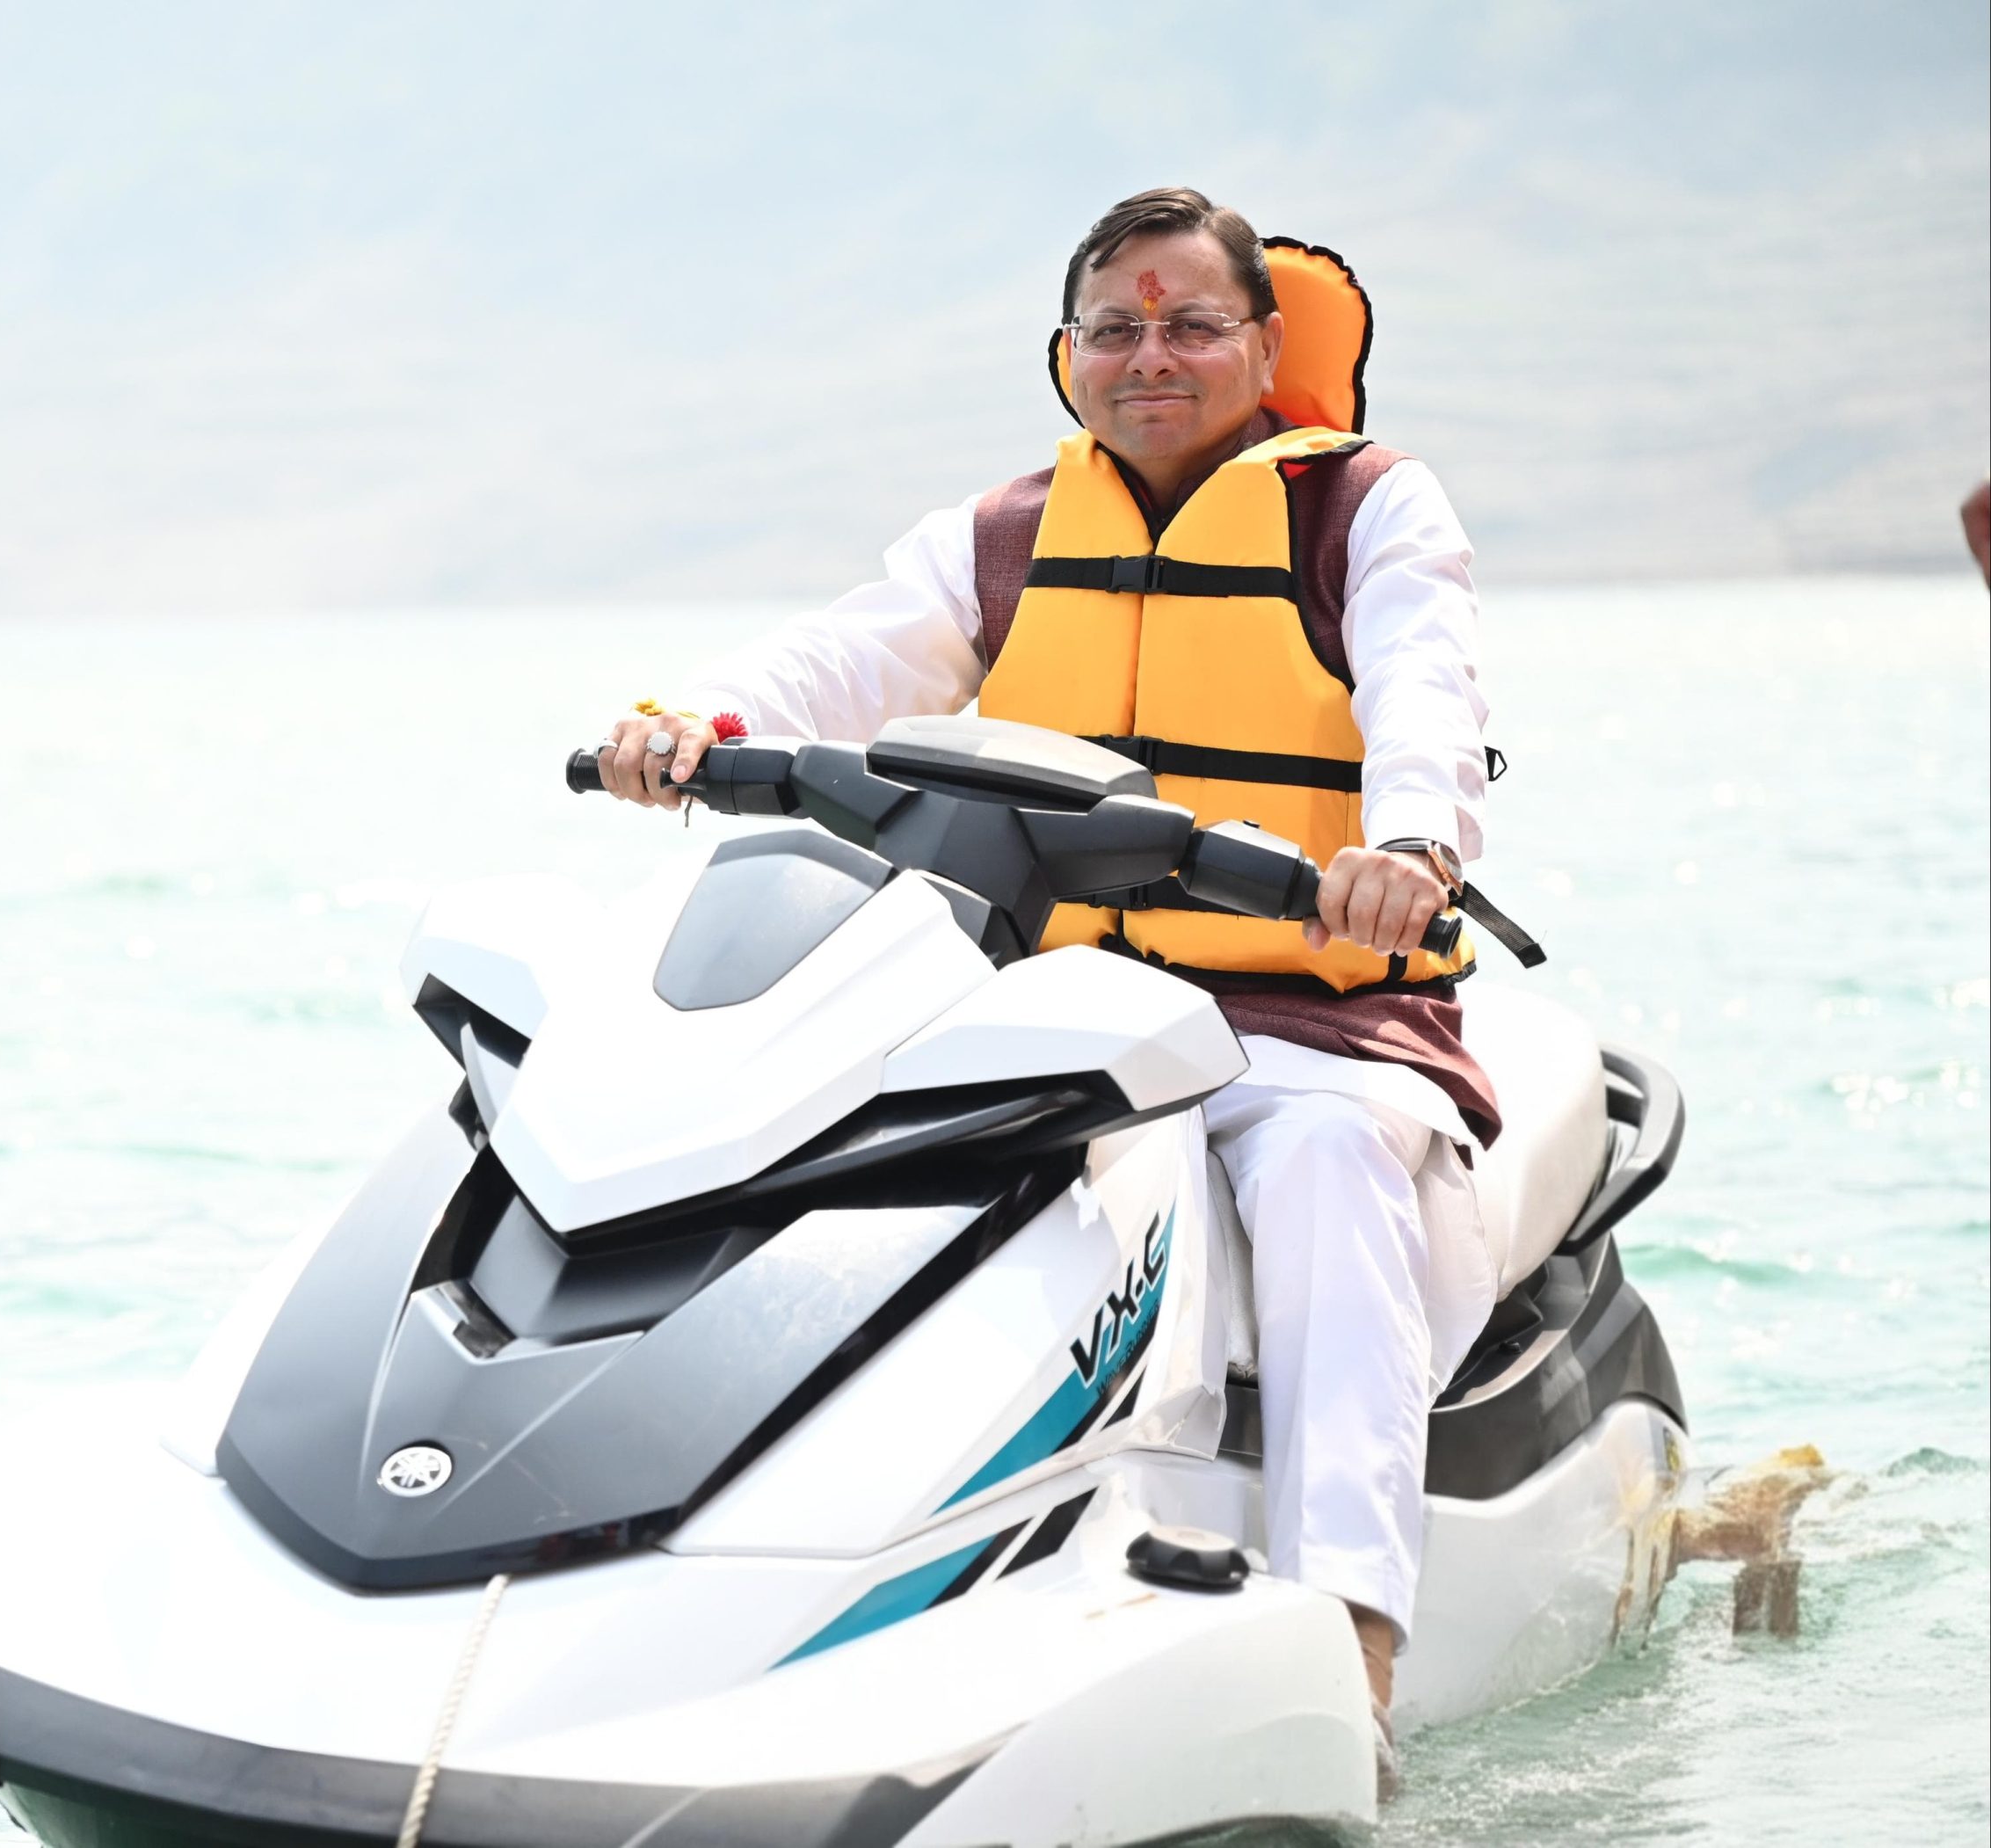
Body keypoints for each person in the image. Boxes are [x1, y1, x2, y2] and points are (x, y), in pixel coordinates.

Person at [590, 186, 1501, 1794]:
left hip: (1311, 1012)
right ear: (1068, 353)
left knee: (1325, 1156)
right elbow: (839, 659)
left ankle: (1351, 1641)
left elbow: (1427, 684)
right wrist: (694, 721)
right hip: (1071, 1013)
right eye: (1116, 328)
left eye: (1192, 324)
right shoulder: (1005, 534)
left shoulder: (1363, 510)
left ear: (1264, 346)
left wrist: (1410, 840)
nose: (1152, 356)